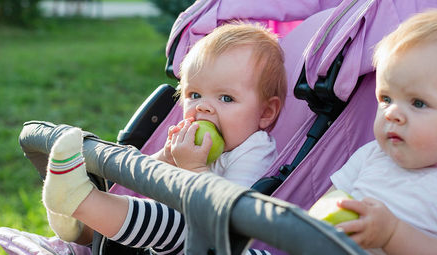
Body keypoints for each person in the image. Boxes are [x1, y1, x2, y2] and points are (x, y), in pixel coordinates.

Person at [41, 22, 286, 254]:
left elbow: (229, 212)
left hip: (220, 245)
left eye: (226, 98)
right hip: (178, 238)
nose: (203, 108)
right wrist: (166, 158)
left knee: (166, 220)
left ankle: (79, 202)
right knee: (146, 209)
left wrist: (194, 167)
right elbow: (147, 181)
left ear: (266, 113)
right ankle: (79, 226)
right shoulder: (196, 141)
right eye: (195, 94)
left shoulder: (255, 150)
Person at [322, 9, 437, 254]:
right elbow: (326, 206)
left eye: (418, 103)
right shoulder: (372, 154)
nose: (391, 113)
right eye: (385, 98)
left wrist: (392, 235)